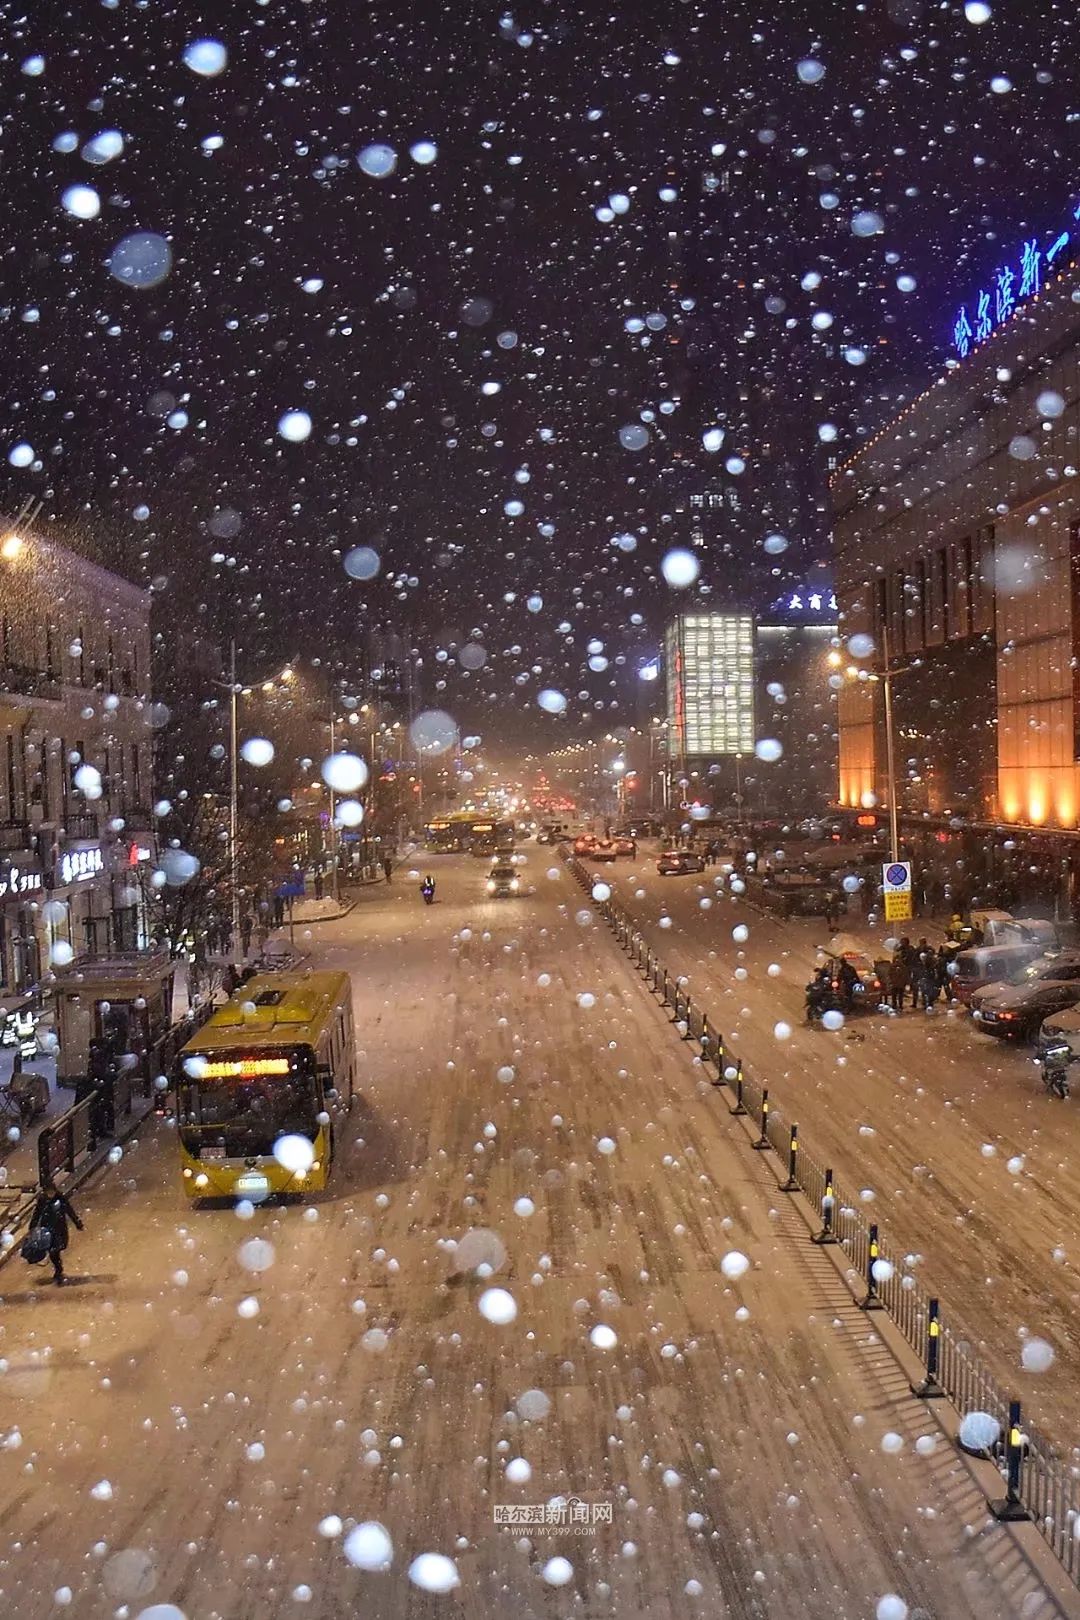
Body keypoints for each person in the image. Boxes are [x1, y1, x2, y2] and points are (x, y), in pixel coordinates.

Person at [30, 1179, 83, 1284]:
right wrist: (32, 1227)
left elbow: (69, 1210)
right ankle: (58, 1270)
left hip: (59, 1228)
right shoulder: (42, 1200)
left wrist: (77, 1223)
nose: (50, 1194)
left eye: (52, 1191)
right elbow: (37, 1214)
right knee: (53, 1251)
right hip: (47, 1229)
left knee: (56, 1250)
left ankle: (58, 1270)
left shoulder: (60, 1198)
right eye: (48, 1192)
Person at [888, 950, 909, 1014]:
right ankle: (898, 1005)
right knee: (898, 995)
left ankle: (896, 1005)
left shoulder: (894, 967)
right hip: (898, 984)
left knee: (897, 995)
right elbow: (906, 975)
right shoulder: (902, 967)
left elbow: (889, 974)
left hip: (897, 983)